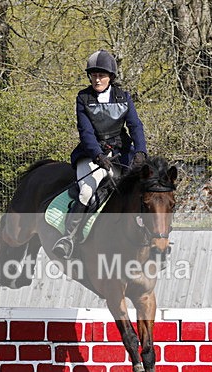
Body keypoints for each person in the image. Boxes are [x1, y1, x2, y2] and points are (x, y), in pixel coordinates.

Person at [52, 49, 148, 260]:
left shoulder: (124, 97)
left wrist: (141, 151)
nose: (97, 79)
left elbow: (135, 125)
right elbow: (85, 132)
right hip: (92, 154)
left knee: (140, 189)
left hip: (121, 152)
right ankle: (68, 238)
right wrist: (97, 155)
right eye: (94, 75)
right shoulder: (83, 97)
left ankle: (149, 239)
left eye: (101, 75)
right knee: (87, 191)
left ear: (110, 77)